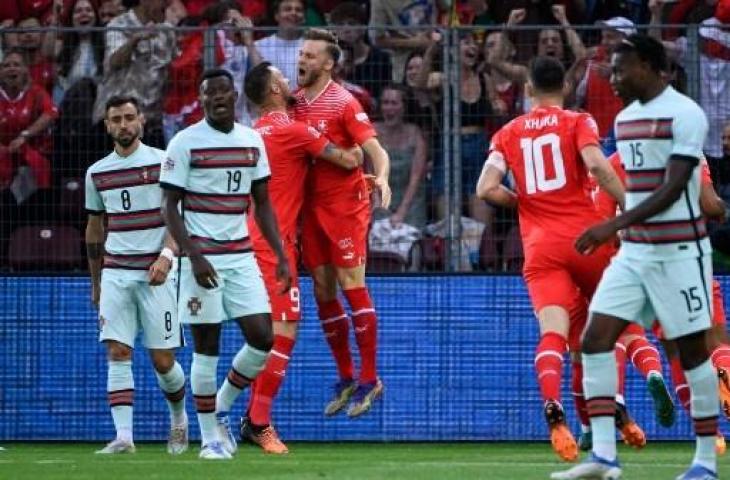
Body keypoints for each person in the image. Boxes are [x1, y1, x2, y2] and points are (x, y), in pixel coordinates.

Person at [551, 34, 717, 480]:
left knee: (691, 352)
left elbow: (675, 187)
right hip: (636, 253)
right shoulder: (624, 121)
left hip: (680, 251)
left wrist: (613, 225)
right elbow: (637, 188)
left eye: (621, 70)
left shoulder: (686, 115)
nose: (614, 79)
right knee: (595, 339)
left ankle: (704, 460)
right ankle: (604, 457)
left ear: (649, 66)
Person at [476, 55, 624, 462]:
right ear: (568, 87)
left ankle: (553, 405)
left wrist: (524, 202)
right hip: (586, 240)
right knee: (611, 332)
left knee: (553, 334)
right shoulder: (579, 121)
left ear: (527, 89)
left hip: (541, 247)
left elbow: (485, 187)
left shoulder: (509, 131)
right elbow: (596, 165)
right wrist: (629, 209)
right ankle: (606, 418)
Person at [160, 68, 291, 460]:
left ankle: (219, 407)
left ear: (234, 95)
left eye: (223, 91)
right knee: (207, 350)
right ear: (201, 100)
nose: (217, 98)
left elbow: (262, 202)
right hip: (201, 259)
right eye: (209, 93)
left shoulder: (252, 140)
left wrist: (281, 254)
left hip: (241, 257)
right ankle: (210, 440)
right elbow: (169, 206)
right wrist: (194, 255)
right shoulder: (185, 142)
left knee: (263, 338)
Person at [238, 61, 364, 454]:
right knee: (284, 332)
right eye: (283, 77)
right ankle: (258, 422)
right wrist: (360, 143)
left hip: (251, 239)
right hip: (272, 247)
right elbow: (348, 159)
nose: (290, 80)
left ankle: (249, 418)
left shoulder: (253, 133)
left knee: (269, 336)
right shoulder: (292, 130)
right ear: (275, 88)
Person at [292, 28, 391, 417]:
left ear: (330, 63)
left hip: (345, 205)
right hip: (309, 207)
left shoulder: (344, 102)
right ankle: (346, 375)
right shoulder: (294, 102)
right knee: (322, 289)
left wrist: (381, 176)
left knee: (353, 284)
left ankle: (370, 378)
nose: (302, 61)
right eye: (301, 54)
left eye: (311, 56)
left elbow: (374, 150)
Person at [84, 95, 187, 455]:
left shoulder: (163, 162)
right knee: (117, 350)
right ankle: (124, 438)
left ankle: (179, 419)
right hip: (116, 272)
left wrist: (167, 255)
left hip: (158, 271)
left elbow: (179, 217)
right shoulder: (96, 172)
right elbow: (95, 229)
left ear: (141, 120)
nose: (124, 125)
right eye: (117, 119)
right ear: (107, 125)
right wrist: (97, 282)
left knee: (163, 360)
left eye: (130, 117)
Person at [254, 0, 305, 91]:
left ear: (303, 17)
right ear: (276, 16)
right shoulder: (258, 46)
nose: (293, 13)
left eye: (298, 10)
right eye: (287, 9)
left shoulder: (313, 46)